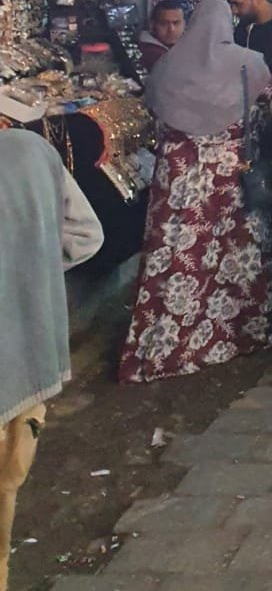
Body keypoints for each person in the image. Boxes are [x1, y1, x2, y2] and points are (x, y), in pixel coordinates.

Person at [120, 0, 272, 381]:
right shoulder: (250, 62)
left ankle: (171, 343)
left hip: (178, 183)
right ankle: (241, 333)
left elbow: (154, 117)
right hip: (231, 179)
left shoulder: (167, 67)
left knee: (180, 256)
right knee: (237, 255)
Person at [0, 132, 103, 585]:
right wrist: (31, 271)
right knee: (7, 488)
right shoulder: (30, 151)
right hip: (27, 360)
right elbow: (84, 236)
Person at [137, 0, 187, 71]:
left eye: (176, 23)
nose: (171, 29)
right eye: (164, 24)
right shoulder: (153, 53)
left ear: (184, 24)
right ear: (152, 25)